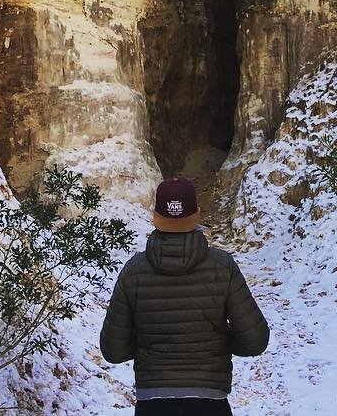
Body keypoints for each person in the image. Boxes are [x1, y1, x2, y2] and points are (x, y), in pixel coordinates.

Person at [99, 174, 270, 414]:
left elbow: (113, 351)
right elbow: (255, 341)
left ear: (156, 217)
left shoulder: (133, 272)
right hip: (210, 401)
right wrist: (217, 343)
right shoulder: (223, 267)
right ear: (197, 214)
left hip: (153, 403)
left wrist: (149, 344)